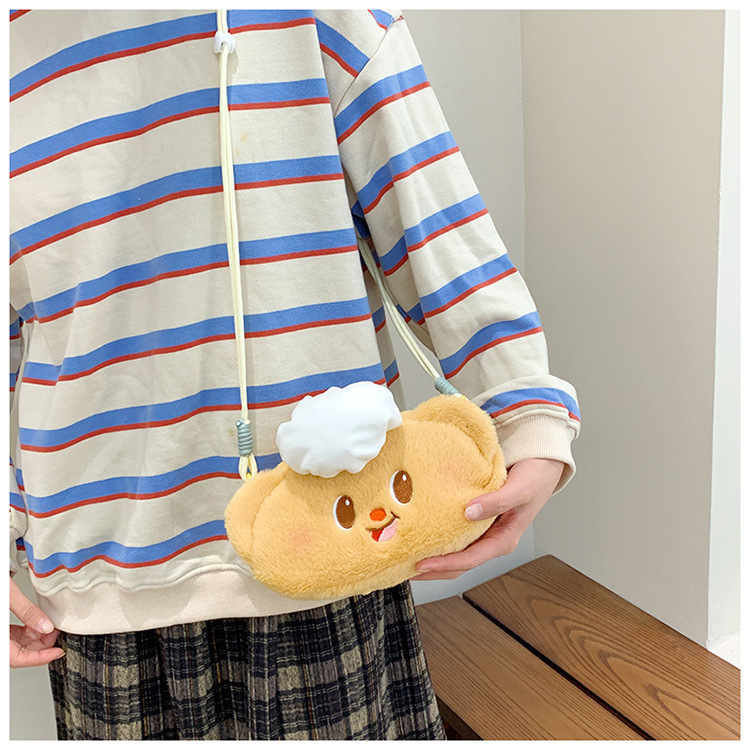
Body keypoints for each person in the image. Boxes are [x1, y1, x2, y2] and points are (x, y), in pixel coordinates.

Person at [9, 9, 580, 740]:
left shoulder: (319, 18)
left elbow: (435, 227)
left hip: (326, 541)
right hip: (100, 583)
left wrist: (526, 417)